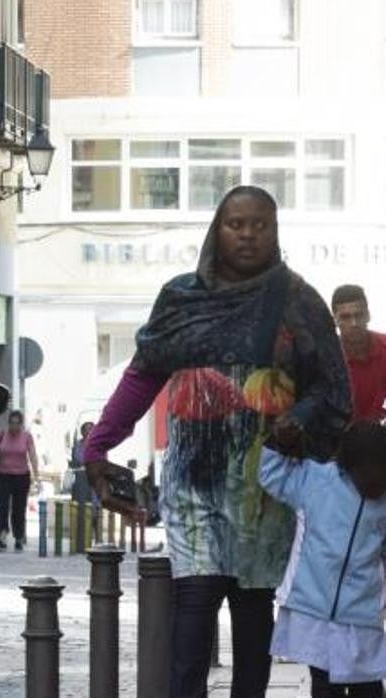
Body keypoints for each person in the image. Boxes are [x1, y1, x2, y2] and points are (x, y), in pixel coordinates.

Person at [82, 186, 350, 697]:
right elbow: (142, 375)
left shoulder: (300, 301)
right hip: (194, 488)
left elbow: (331, 389)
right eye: (236, 224)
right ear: (216, 229)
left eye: (260, 224)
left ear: (275, 230)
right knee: (194, 607)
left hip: (265, 491)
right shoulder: (182, 297)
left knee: (253, 616)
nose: (248, 234)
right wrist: (98, 446)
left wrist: (299, 415)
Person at [262, 421, 386, 698]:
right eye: (372, 472)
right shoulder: (317, 481)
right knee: (324, 685)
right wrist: (278, 443)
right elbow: (273, 475)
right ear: (351, 465)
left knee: (367, 685)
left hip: (361, 615)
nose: (377, 480)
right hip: (313, 610)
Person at [331, 285, 386, 422]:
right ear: (335, 320)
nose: (354, 323)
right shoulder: (325, 359)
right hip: (338, 435)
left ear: (368, 315)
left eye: (359, 315)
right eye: (345, 317)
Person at [0, 410, 39, 552]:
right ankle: (3, 538)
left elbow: (33, 455)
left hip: (21, 476)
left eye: (17, 424)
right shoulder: (1, 434)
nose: (14, 426)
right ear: (8, 423)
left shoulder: (27, 436)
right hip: (3, 475)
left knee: (19, 508)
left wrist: (36, 474)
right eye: (12, 423)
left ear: (21, 424)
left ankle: (18, 538)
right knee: (3, 506)